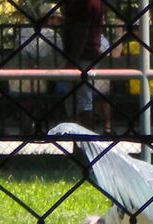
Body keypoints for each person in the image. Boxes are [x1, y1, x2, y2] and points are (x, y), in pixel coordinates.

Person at [62, 0, 103, 128]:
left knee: (82, 103)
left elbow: (81, 30)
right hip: (84, 55)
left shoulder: (84, 3)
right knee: (79, 101)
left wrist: (73, 59)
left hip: (82, 56)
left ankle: (86, 142)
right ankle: (81, 142)